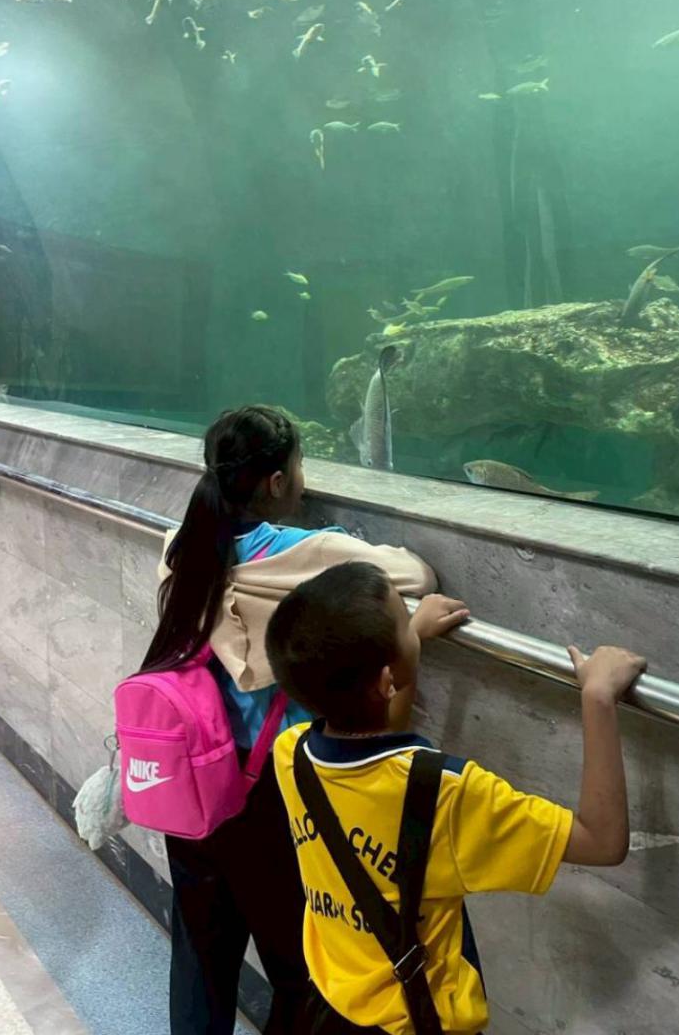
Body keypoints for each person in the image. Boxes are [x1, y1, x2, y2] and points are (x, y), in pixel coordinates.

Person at [140, 405, 454, 1035]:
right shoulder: (306, 553)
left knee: (199, 955)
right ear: (278, 481)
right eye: (300, 467)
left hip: (191, 775)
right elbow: (414, 573)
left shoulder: (182, 545)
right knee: (296, 966)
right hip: (269, 790)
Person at [265, 561, 647, 1035]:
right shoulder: (447, 794)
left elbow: (377, 751)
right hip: (420, 1023)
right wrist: (597, 698)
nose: (412, 624)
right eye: (404, 620)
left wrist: (408, 645)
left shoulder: (291, 756)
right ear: (384, 680)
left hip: (333, 1007)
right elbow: (602, 841)